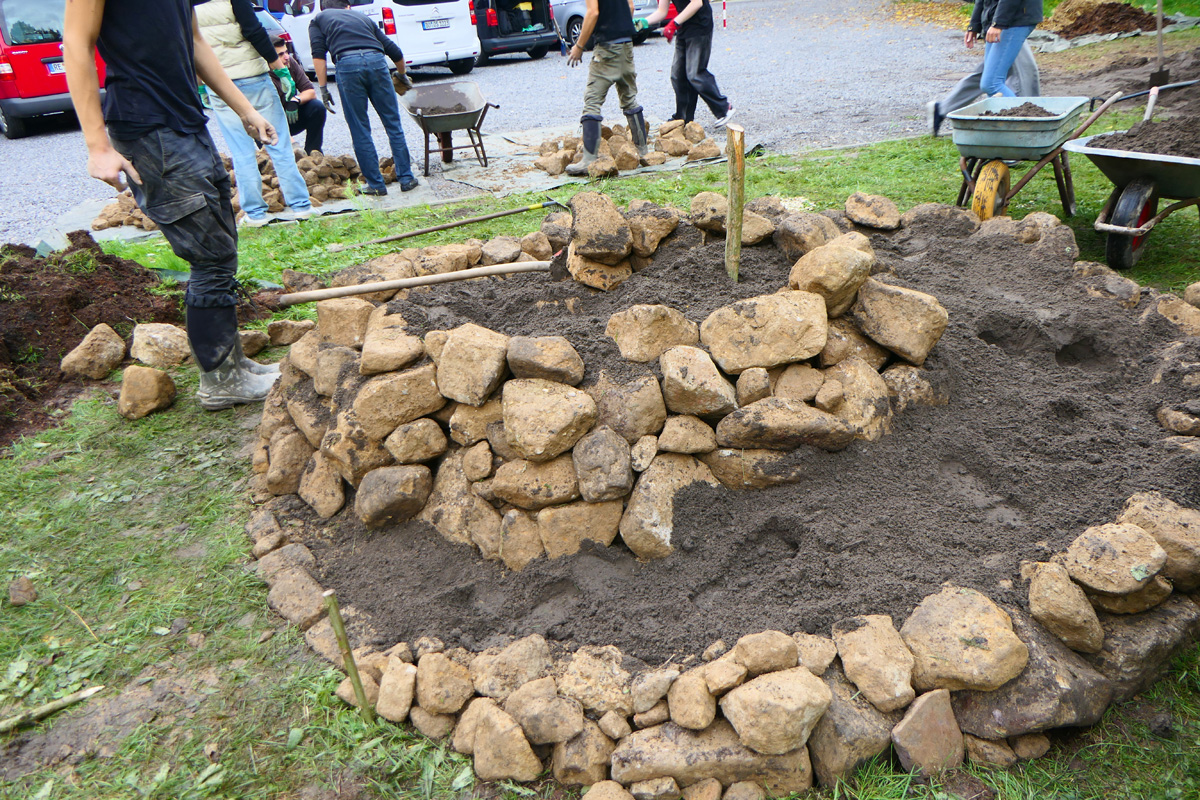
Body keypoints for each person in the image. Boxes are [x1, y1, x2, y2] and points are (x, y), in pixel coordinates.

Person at [64, 0, 281, 410]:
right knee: (210, 256)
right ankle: (220, 379)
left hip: (186, 123)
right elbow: (75, 43)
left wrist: (245, 109)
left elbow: (195, 41)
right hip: (148, 129)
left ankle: (232, 363)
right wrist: (97, 145)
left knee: (222, 246)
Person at [197, 0, 313, 226]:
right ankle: (301, 207)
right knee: (278, 144)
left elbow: (192, 47)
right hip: (254, 79)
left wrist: (201, 84)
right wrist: (280, 70)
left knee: (241, 151)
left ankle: (255, 214)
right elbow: (254, 31)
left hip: (219, 85)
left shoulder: (188, 6)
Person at [309, 0, 419, 195]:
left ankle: (376, 186)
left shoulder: (318, 19)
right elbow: (394, 51)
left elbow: (318, 56)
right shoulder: (362, 18)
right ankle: (407, 179)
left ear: (324, 8)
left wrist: (323, 88)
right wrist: (401, 75)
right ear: (347, 6)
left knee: (360, 128)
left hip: (348, 65)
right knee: (393, 124)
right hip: (377, 61)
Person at [564, 0, 649, 176]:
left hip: (606, 48)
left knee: (592, 101)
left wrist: (579, 47)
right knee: (629, 99)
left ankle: (588, 159)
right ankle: (642, 150)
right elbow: (631, 7)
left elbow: (593, 12)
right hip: (626, 45)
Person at [642, 0, 732, 127]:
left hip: (700, 25)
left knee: (695, 73)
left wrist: (674, 23)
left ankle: (724, 108)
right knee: (678, 75)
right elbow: (662, 11)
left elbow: (697, 3)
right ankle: (683, 118)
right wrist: (643, 22)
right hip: (683, 27)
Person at [926, 40, 1040, 136]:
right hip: (1008, 24)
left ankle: (943, 108)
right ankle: (1026, 130)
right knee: (1025, 72)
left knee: (991, 74)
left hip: (1009, 23)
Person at [270, 33, 328, 154]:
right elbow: (268, 114)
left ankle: (313, 152)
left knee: (317, 107)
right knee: (281, 155)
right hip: (268, 125)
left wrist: (295, 100)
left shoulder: (289, 62)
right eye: (280, 55)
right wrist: (293, 144)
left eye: (286, 52)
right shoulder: (263, 76)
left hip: (290, 116)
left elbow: (310, 91)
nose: (286, 57)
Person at [973, 0, 1043, 98]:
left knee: (992, 84)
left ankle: (1018, 112)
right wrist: (974, 25)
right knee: (991, 84)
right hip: (997, 20)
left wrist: (999, 23)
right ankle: (1002, 112)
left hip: (1015, 19)